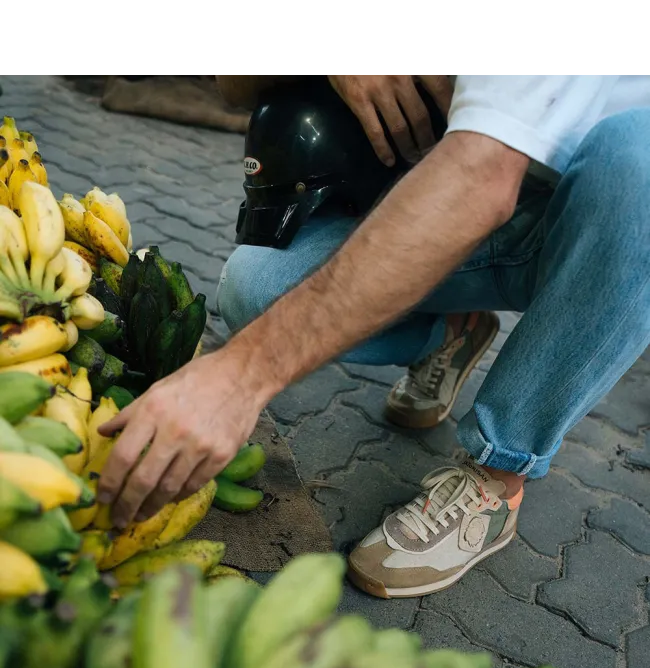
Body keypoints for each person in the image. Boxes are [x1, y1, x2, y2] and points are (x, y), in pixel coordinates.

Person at [98, 73, 650, 599]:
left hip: (599, 213)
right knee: (256, 291)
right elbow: (231, 84)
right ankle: (450, 332)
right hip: (453, 175)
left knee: (639, 162)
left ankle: (501, 471)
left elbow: (482, 178)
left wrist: (241, 376)